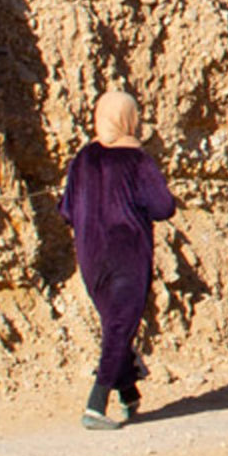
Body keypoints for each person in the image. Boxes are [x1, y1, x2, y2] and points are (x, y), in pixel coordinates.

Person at [58, 91, 175, 431]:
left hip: (91, 257)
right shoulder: (137, 161)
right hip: (127, 255)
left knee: (115, 323)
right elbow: (163, 207)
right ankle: (96, 404)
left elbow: (66, 211)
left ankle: (128, 391)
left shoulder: (82, 159)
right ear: (130, 119)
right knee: (120, 324)